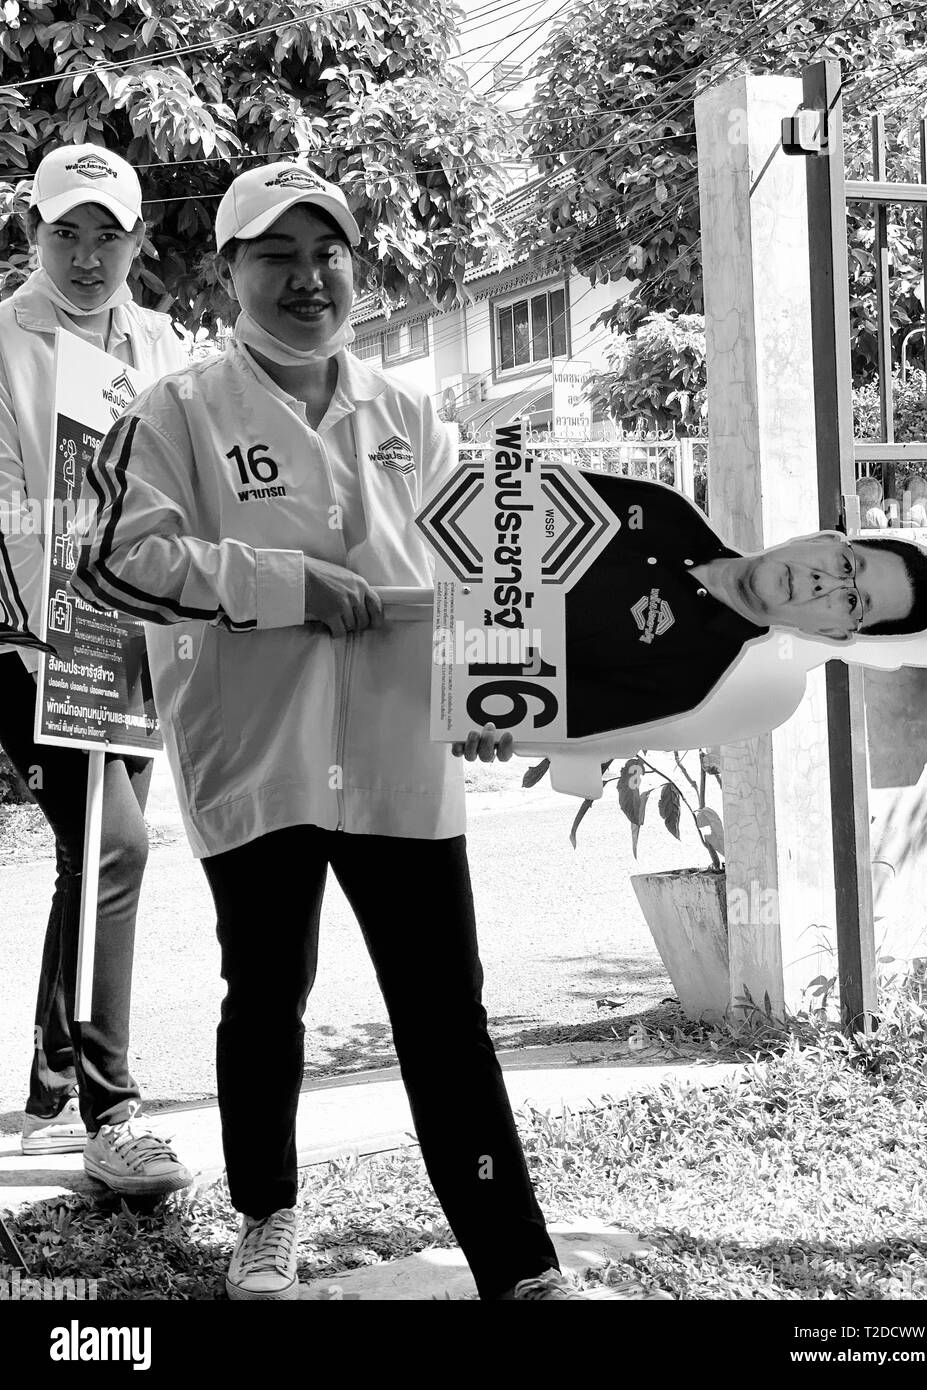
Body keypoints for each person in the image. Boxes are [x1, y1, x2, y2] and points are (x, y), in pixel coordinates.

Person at [70, 162, 655, 1301]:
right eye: (275, 255)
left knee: (445, 1010)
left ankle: (519, 1261)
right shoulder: (177, 410)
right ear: (230, 272)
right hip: (261, 752)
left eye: (325, 252)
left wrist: (492, 689)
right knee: (265, 993)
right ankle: (267, 1214)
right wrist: (286, 582)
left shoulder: (410, 410)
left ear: (354, 266)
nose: (306, 278)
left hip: (399, 755)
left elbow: (474, 572)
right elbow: (118, 561)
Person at [0, 144, 192, 1195]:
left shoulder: (165, 345)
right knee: (115, 845)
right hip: (28, 637)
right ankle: (113, 1110)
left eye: (105, 233)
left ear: (136, 236)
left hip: (141, 639)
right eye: (65, 232)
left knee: (92, 858)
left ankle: (46, 1084)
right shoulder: (5, 337)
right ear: (36, 232)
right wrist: (51, 625)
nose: (85, 255)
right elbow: (6, 506)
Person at [562, 469, 927, 738]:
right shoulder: (664, 510)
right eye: (846, 564)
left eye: (852, 600)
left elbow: (538, 712)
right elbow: (512, 489)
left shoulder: (684, 681)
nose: (825, 582)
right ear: (822, 542)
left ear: (832, 633)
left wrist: (501, 734)